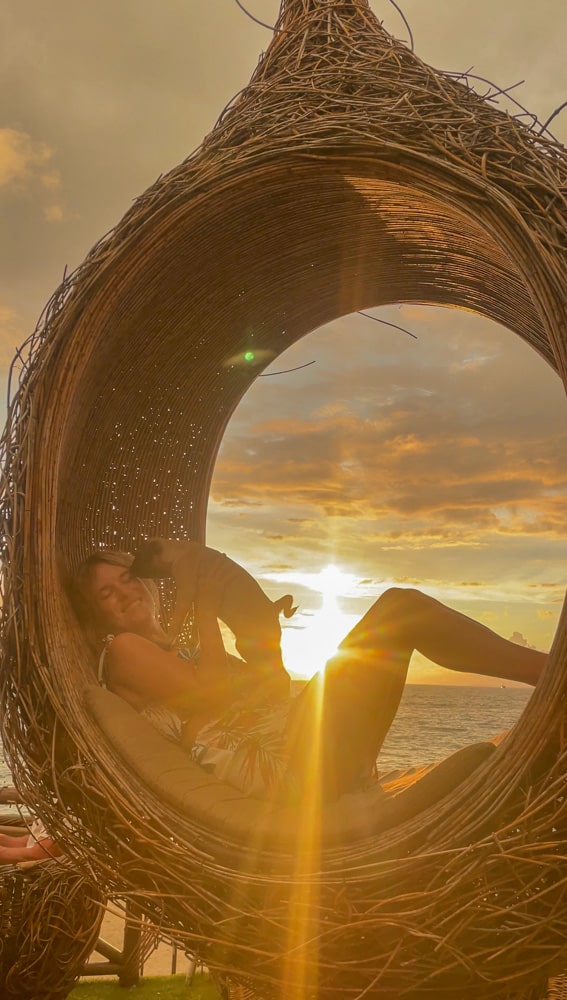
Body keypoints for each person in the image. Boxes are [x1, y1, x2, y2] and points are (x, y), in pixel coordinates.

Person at [71, 543, 547, 803]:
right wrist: (208, 603)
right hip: (285, 770)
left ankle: (548, 674)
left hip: (299, 742)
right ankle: (549, 674)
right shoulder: (123, 651)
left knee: (402, 612)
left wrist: (259, 634)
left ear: (146, 581)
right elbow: (209, 696)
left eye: (125, 578)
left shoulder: (185, 649)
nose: (122, 593)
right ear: (97, 617)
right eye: (105, 595)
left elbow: (272, 687)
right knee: (399, 611)